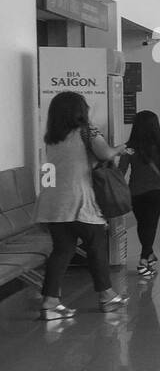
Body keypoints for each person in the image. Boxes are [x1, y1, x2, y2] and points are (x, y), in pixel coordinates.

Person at [36, 91, 127, 319]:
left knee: (62, 250)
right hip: (80, 200)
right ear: (80, 110)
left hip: (53, 202)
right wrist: (120, 148)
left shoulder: (52, 137)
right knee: (96, 246)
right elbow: (104, 152)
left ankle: (50, 303)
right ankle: (107, 297)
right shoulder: (87, 131)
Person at [118, 110, 160, 277]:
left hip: (135, 192)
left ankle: (147, 256)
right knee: (151, 224)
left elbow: (121, 171)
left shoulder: (129, 148)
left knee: (143, 224)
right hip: (157, 191)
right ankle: (144, 259)